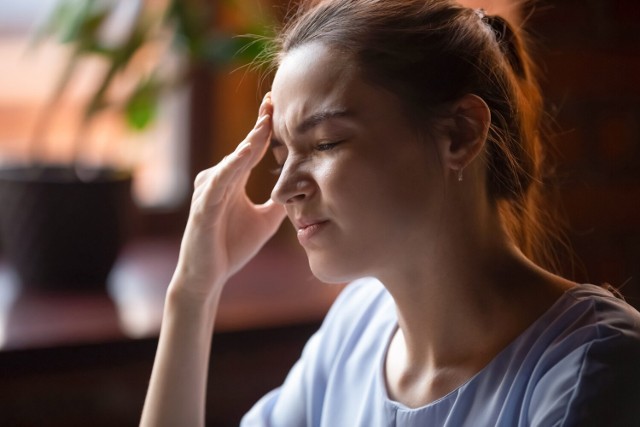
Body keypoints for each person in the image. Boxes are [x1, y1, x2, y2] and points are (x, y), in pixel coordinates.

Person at [140, 0, 640, 425]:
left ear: (460, 133)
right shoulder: (355, 329)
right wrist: (193, 291)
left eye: (326, 142)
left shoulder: (592, 369)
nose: (285, 188)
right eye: (280, 155)